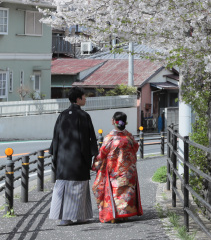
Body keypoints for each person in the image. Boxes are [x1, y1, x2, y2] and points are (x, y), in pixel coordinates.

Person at [49, 87, 98, 226]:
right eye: (84, 97)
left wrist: (54, 153)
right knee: (79, 186)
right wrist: (93, 154)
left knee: (63, 185)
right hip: (78, 158)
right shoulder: (83, 116)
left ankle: (65, 217)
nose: (85, 99)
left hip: (63, 158)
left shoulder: (63, 115)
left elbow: (55, 137)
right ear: (78, 99)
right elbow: (88, 138)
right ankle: (79, 216)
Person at [92, 111, 143, 223]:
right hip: (129, 170)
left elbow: (102, 153)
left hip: (114, 170)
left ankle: (114, 216)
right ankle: (125, 214)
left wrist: (96, 163)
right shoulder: (129, 137)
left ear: (113, 121)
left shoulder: (110, 138)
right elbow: (135, 148)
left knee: (115, 192)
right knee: (127, 192)